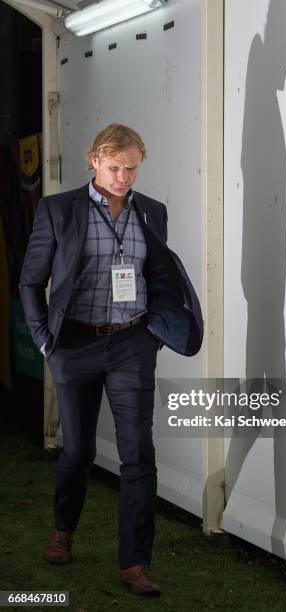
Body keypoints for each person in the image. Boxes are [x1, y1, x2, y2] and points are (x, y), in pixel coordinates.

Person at [19, 123, 203, 597]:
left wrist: (154, 333)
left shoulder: (153, 213)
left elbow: (157, 274)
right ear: (95, 161)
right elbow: (30, 280)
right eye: (115, 167)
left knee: (138, 454)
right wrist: (44, 341)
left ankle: (135, 563)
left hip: (131, 345)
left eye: (132, 167)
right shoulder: (58, 210)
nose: (124, 177)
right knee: (78, 451)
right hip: (74, 345)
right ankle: (64, 529)